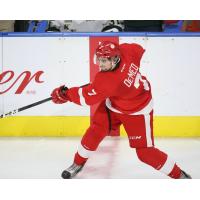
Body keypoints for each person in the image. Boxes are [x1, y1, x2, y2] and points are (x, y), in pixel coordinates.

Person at [51, 41, 191, 179]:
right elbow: (139, 48)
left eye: (104, 61)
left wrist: (64, 94)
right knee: (96, 130)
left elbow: (86, 98)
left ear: (115, 59)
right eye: (99, 59)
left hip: (137, 111)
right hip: (115, 104)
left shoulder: (106, 82)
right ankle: (78, 163)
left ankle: (179, 175)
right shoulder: (127, 51)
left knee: (145, 153)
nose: (100, 64)